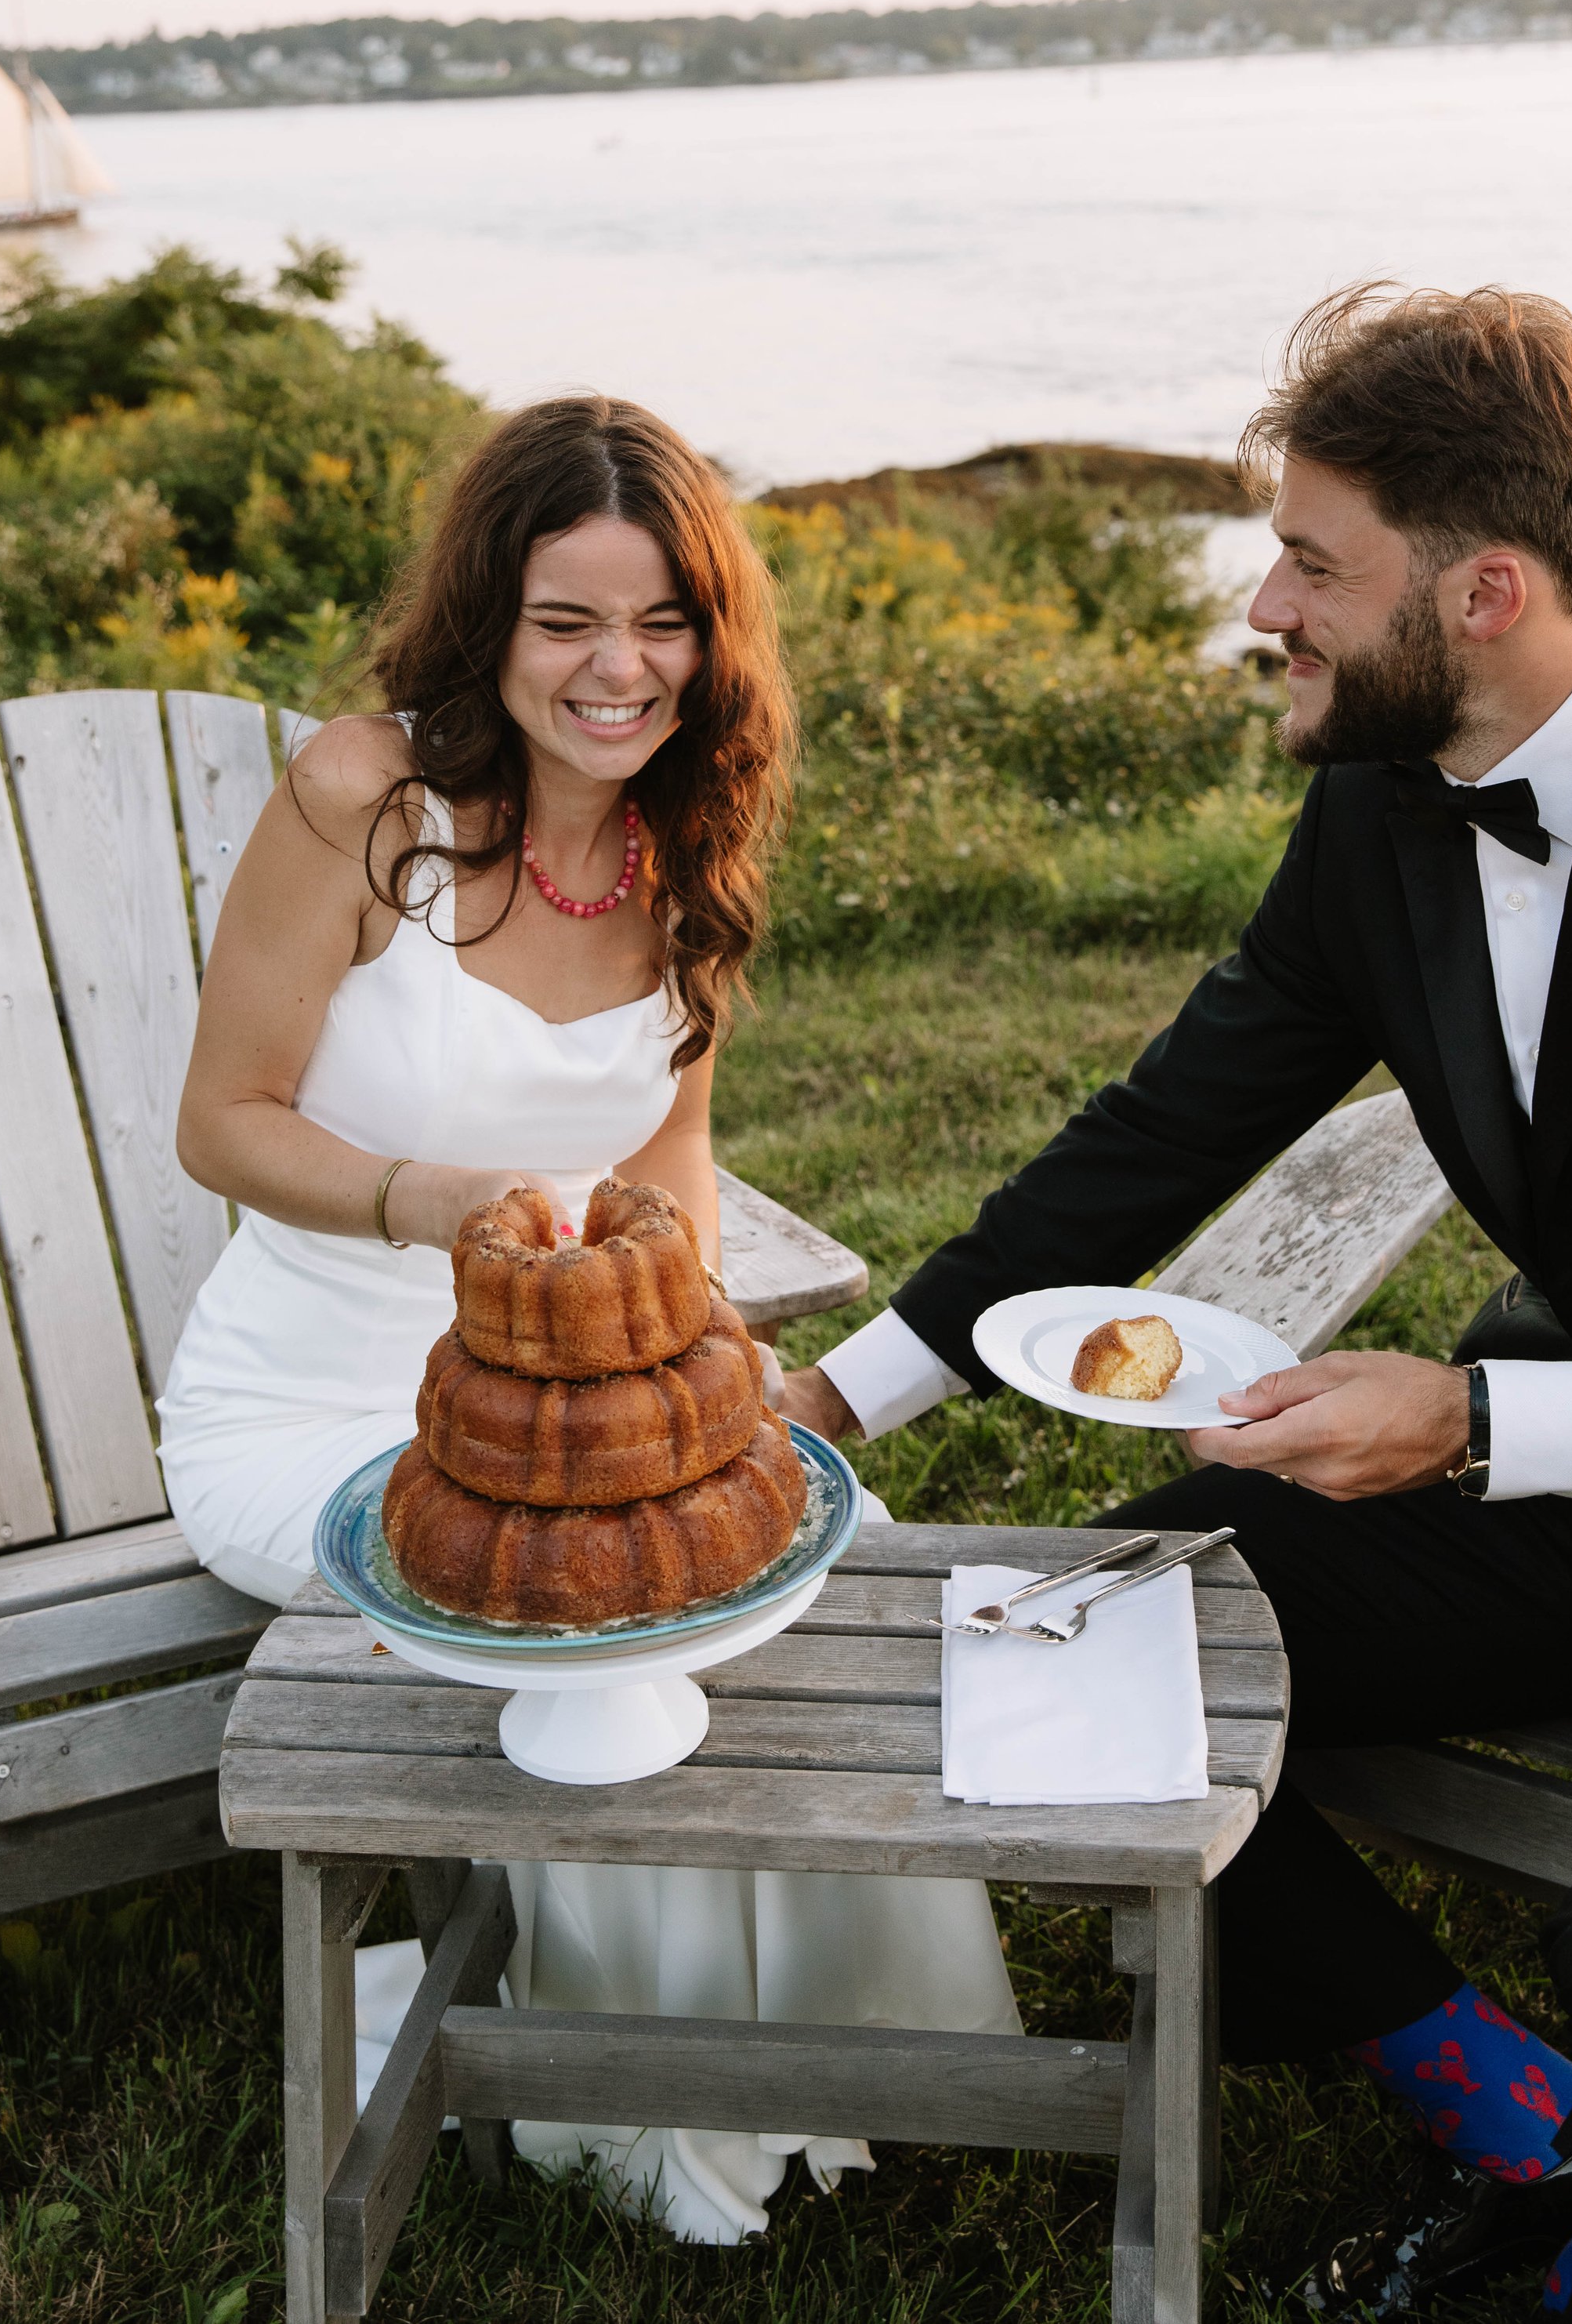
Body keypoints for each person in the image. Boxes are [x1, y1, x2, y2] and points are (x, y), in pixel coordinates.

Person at [784, 286, 1572, 2324]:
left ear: (1480, 590)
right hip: (1553, 1493)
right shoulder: (1376, 818)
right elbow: (1154, 1132)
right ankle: (1502, 2106)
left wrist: (1463, 1423)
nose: (1262, 604)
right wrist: (819, 1412)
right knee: (1061, 1668)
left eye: (1307, 558)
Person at [159, 393, 1017, 2245]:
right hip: (311, 1402)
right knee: (607, 1615)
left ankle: (844, 2055)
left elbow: (677, 1163)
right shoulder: (363, 800)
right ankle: (639, 2098)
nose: (617, 669)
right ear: (490, 621)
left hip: (562, 1398)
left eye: (660, 623)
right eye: (567, 621)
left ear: (710, 643)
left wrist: (704, 1378)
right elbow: (217, 1120)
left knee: (766, 1559)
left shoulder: (678, 854)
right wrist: (433, 1203)